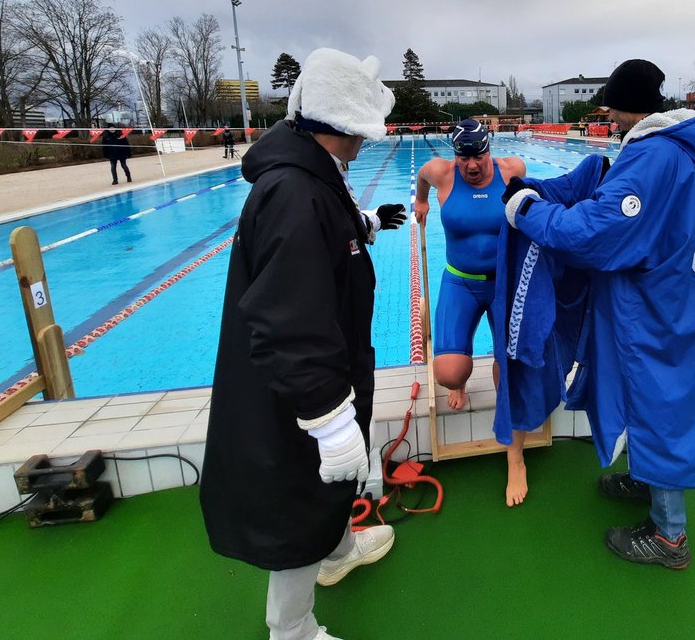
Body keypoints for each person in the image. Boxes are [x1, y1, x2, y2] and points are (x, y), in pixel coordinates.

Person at [200, 48, 404, 640]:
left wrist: (361, 224)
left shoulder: (307, 172)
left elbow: (316, 235)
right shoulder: (293, 193)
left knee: (328, 488)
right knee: (301, 494)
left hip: (324, 370)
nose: (365, 142)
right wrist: (329, 420)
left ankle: (338, 553)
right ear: (337, 127)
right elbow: (289, 320)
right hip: (296, 391)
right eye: (359, 131)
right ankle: (291, 629)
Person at [503, 59, 695, 569]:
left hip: (658, 312)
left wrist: (524, 207)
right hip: (685, 299)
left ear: (625, 108)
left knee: (661, 406)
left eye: (609, 111)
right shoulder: (686, 147)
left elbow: (591, 233)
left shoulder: (653, 158)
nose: (608, 122)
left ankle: (670, 537)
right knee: (652, 399)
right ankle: (647, 477)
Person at [414, 119, 530, 505]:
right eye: (463, 157)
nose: (472, 165)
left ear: (489, 149)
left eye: (478, 155)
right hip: (459, 281)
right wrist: (421, 200)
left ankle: (516, 459)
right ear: (455, 156)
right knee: (448, 373)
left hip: (502, 282)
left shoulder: (512, 169)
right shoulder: (441, 173)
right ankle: (462, 379)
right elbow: (421, 176)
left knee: (509, 372)